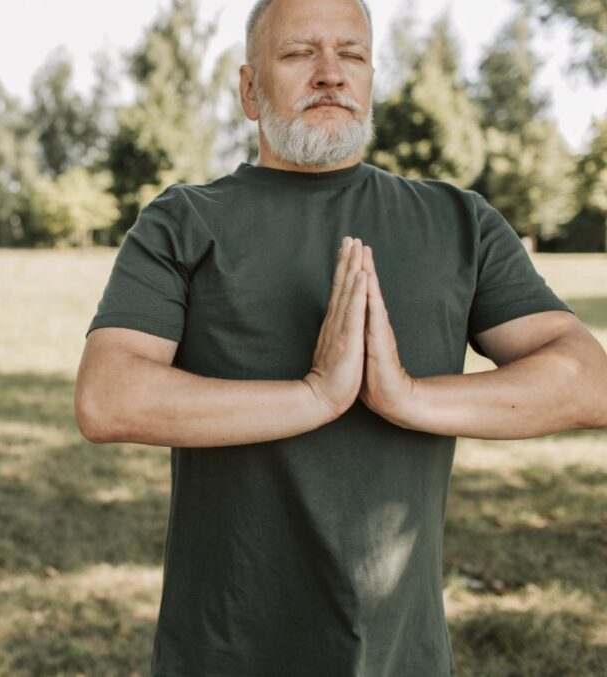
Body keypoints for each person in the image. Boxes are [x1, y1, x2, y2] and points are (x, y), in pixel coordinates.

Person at [73, 0, 607, 674]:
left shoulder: (457, 221)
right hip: (224, 653)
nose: (330, 73)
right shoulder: (182, 221)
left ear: (371, 78)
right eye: (299, 53)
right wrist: (314, 396)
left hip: (402, 655)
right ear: (248, 89)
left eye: (351, 54)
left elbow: (589, 380)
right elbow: (108, 397)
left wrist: (407, 396)